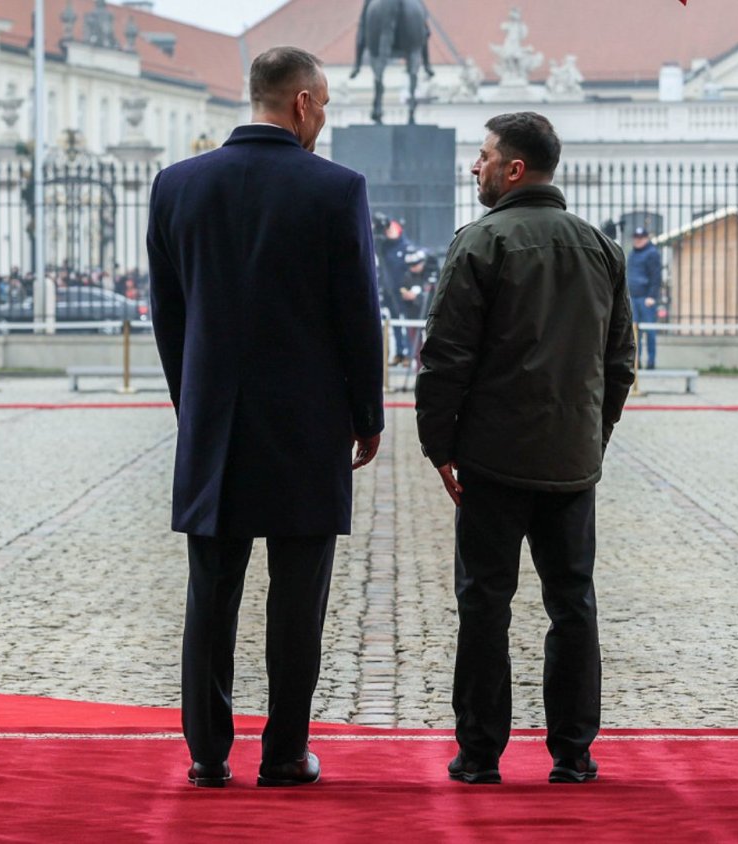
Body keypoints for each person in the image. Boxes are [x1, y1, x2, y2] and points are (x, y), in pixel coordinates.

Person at [146, 46, 385, 790]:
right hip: (308, 425)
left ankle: (207, 753)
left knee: (210, 596)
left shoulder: (176, 185)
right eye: (326, 108)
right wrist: (366, 415)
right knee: (297, 600)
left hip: (213, 420)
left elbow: (169, 313)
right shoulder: (336, 188)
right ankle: (285, 752)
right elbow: (357, 315)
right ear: (305, 104)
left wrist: (195, 402)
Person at [416, 112, 635, 786]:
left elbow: (444, 359)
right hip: (571, 463)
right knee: (573, 603)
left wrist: (439, 446)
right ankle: (573, 753)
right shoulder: (600, 248)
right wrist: (590, 437)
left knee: (485, 602)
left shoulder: (482, 243)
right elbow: (621, 363)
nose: (474, 167)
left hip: (491, 460)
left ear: (514, 168)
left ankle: (480, 754)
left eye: (483, 157)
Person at [377, 216, 416, 364]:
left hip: (401, 290)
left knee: (405, 322)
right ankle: (399, 352)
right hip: (387, 289)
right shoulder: (383, 245)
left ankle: (407, 353)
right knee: (393, 322)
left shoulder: (405, 246)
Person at [626, 225, 662, 369]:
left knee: (650, 331)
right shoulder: (632, 254)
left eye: (641, 238)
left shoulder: (652, 253)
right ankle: (636, 362)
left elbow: (656, 276)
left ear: (646, 238)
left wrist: (652, 296)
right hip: (633, 298)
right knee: (635, 334)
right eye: (636, 238)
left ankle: (651, 361)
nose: (638, 240)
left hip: (645, 299)